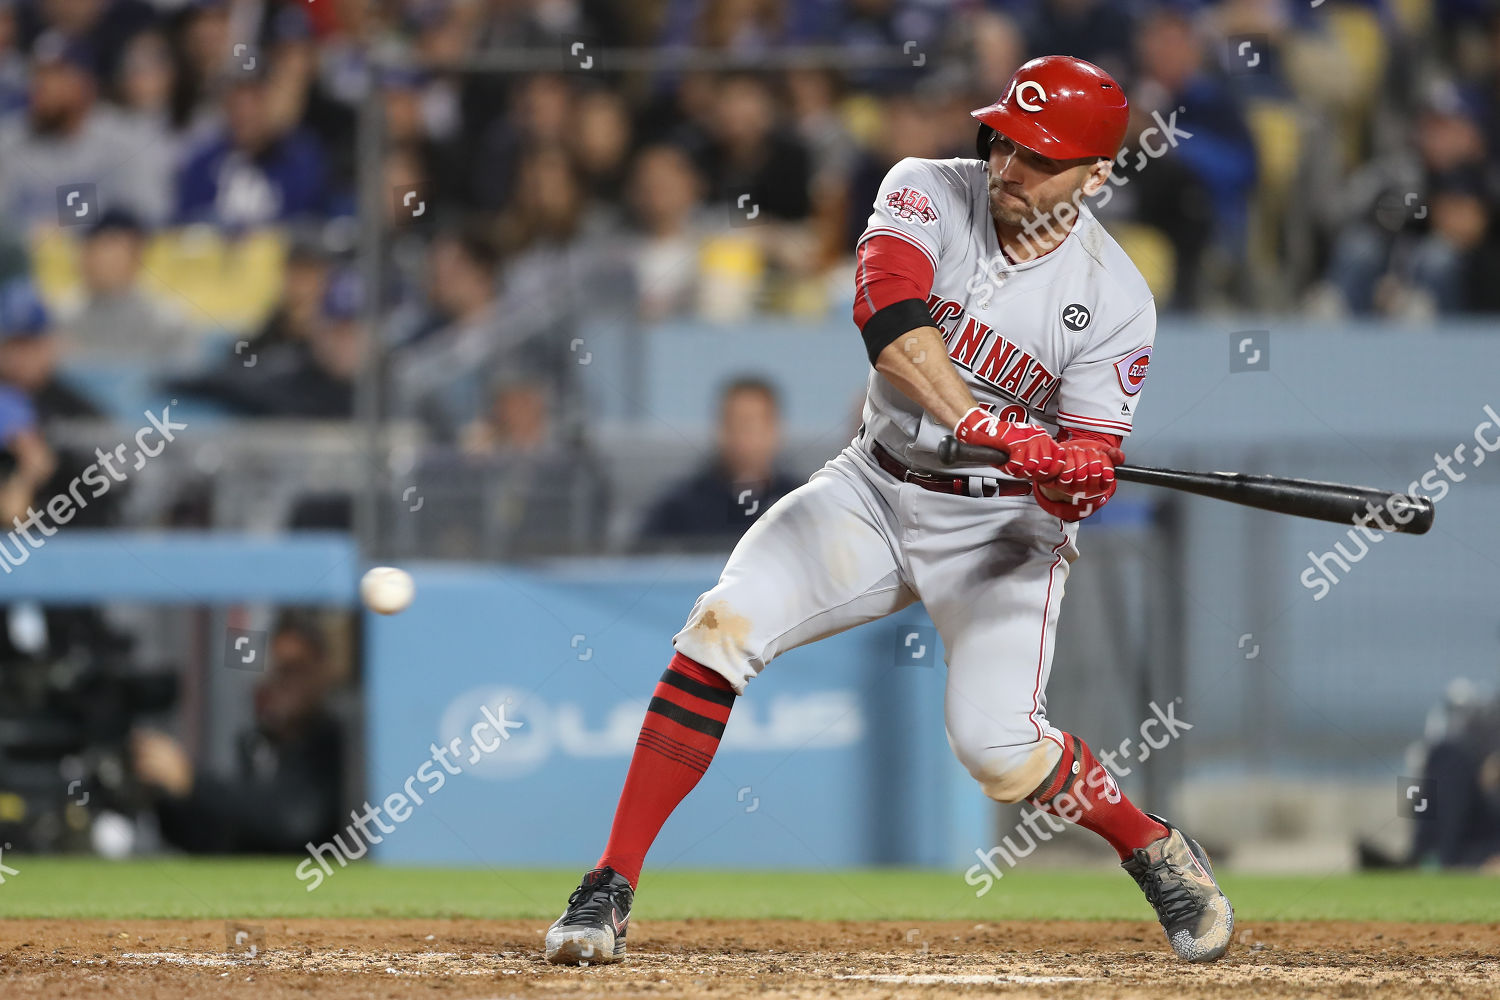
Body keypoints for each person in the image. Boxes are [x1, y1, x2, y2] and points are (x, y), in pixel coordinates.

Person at [544, 56, 1233, 968]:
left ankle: (1148, 844)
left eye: (1040, 155)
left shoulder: (1115, 299)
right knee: (720, 627)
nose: (1009, 166)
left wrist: (1074, 477)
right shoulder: (926, 188)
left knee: (998, 754)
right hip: (872, 485)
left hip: (1002, 532)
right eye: (1004, 141)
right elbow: (885, 311)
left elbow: (1092, 458)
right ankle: (608, 886)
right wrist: (989, 421)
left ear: (1097, 176)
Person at [130, 612, 348, 853]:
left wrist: (192, 782)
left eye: (293, 670)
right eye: (273, 669)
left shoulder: (335, 743)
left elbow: (294, 823)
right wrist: (165, 796)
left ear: (322, 673)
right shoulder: (256, 743)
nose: (279, 682)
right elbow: (223, 836)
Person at [636, 377, 801, 551]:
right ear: (720, 428)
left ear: (775, 429)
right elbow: (639, 563)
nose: (744, 437)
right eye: (734, 424)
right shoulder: (680, 506)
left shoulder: (798, 502)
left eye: (753, 425)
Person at [57, 208, 191, 361]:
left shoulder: (168, 323)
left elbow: (185, 377)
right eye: (93, 248)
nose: (107, 260)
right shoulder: (60, 319)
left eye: (116, 250)